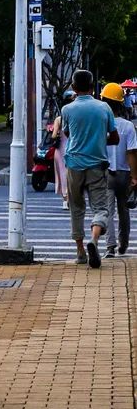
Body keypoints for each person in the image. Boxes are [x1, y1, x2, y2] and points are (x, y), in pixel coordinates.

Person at [61, 69, 119, 268]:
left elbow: (68, 133)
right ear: (92, 86)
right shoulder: (104, 108)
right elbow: (115, 137)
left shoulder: (67, 109)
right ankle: (94, 241)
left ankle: (80, 253)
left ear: (74, 87)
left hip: (74, 164)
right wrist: (99, 139)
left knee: (76, 207)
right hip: (97, 164)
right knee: (101, 208)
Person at [99, 83, 137, 257]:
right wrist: (135, 176)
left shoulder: (100, 125)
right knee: (124, 211)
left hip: (106, 173)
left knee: (108, 211)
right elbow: (131, 153)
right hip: (124, 174)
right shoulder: (128, 126)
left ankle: (110, 247)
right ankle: (123, 244)